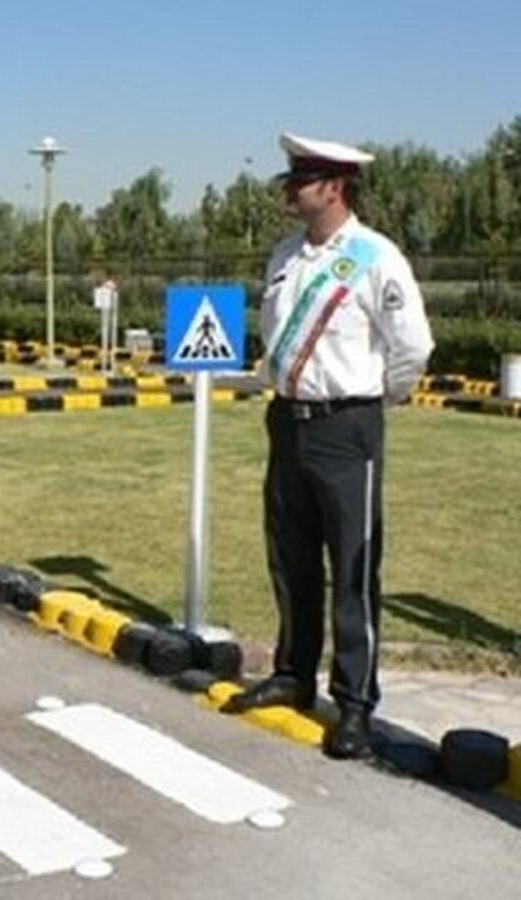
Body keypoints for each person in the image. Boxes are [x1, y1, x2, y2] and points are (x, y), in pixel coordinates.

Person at [220, 133, 434, 760]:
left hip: (348, 428)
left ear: (334, 187)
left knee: (352, 568)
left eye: (301, 180)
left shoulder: (376, 257)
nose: (290, 190)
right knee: (290, 557)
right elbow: (273, 339)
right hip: (288, 422)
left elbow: (412, 349)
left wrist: (372, 404)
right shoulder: (287, 255)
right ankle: (292, 674)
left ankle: (356, 704)